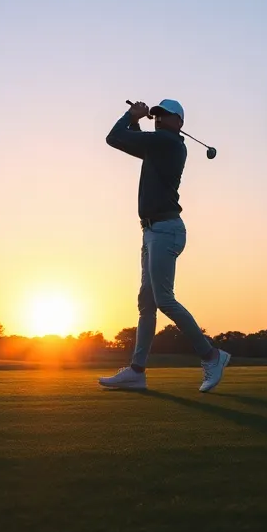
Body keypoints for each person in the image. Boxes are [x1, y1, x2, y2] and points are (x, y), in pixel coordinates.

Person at [98, 99, 230, 393]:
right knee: (147, 304)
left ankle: (212, 355)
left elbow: (114, 137)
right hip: (152, 231)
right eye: (155, 116)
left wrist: (132, 115)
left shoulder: (167, 143)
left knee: (164, 300)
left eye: (163, 116)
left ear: (179, 122)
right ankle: (136, 372)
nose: (157, 120)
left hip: (166, 230)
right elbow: (128, 141)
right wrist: (136, 122)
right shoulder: (159, 145)